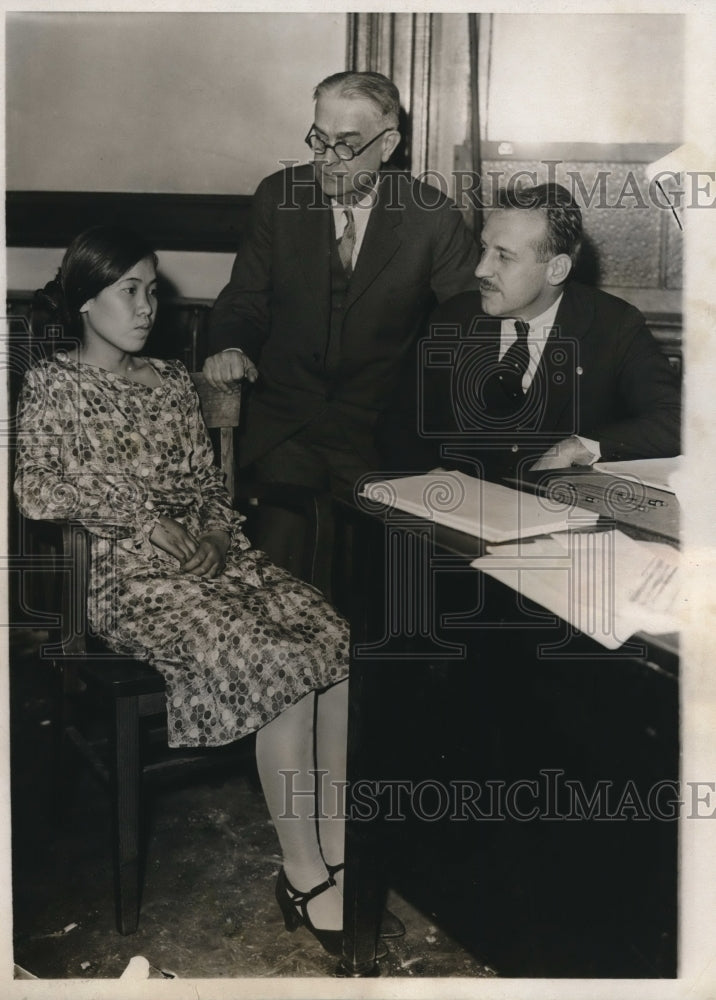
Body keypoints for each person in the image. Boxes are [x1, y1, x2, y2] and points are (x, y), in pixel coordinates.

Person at [13, 225, 397, 957]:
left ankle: (342, 849)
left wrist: (218, 538)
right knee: (274, 661)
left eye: (152, 289)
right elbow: (35, 487)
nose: (147, 305)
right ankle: (304, 872)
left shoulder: (171, 385)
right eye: (129, 290)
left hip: (215, 566)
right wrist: (142, 520)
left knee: (334, 640)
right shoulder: (53, 383)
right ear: (85, 301)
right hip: (127, 580)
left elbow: (208, 493)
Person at [202, 70, 480, 590]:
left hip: (378, 433)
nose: (325, 159)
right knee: (280, 579)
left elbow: (469, 324)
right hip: (286, 424)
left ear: (389, 144)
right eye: (318, 140)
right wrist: (231, 346)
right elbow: (245, 297)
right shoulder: (278, 198)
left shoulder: (430, 217)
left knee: (398, 583)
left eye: (346, 146)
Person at [377, 182, 681, 479]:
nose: (481, 269)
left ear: (556, 269)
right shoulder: (453, 318)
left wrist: (581, 447)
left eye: (504, 256)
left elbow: (678, 420)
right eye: (484, 248)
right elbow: (399, 422)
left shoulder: (615, 327)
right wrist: (428, 474)